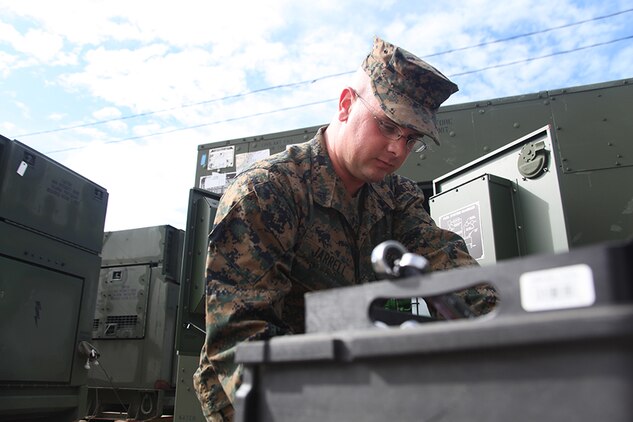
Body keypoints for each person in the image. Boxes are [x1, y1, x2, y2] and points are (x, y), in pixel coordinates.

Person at [193, 36, 498, 421]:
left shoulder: (396, 196)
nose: (396, 150)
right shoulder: (269, 191)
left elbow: (446, 263)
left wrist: (504, 328)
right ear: (345, 105)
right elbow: (240, 337)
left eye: (411, 139)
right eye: (387, 126)